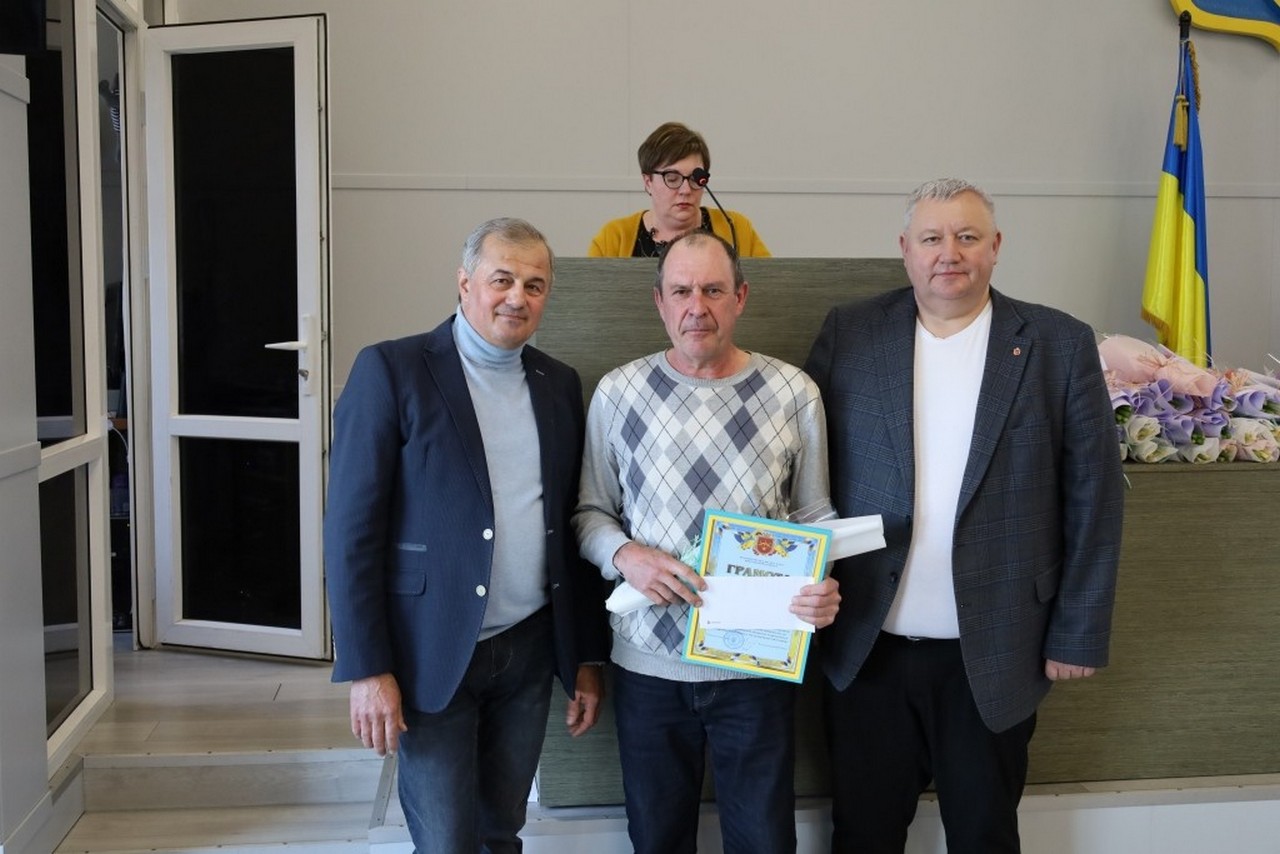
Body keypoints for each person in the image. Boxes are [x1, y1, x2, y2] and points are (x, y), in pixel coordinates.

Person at [804, 178, 1126, 853]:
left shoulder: (1058, 343)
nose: (948, 252)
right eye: (931, 237)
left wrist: (1078, 632)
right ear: (905, 248)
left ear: (996, 246)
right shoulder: (851, 332)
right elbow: (805, 470)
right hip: (867, 648)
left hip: (998, 651)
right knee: (863, 835)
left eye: (967, 236)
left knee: (984, 834)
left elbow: (1095, 496)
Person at [324, 217, 610, 853]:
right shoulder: (391, 369)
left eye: (534, 285)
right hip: (430, 650)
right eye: (501, 279)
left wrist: (585, 657)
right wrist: (367, 667)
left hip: (529, 649)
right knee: (447, 842)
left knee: (501, 832)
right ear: (464, 283)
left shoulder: (559, 384)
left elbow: (569, 527)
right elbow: (350, 532)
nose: (517, 298)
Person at [574, 230, 840, 853]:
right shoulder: (618, 392)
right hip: (647, 667)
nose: (698, 306)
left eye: (714, 290)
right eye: (681, 291)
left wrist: (825, 583)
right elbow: (589, 512)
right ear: (659, 302)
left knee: (764, 842)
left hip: (757, 666)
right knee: (658, 840)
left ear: (740, 297)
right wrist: (624, 555)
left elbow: (815, 515)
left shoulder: (794, 392)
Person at [588, 121, 770, 258]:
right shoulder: (613, 239)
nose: (685, 190)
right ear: (648, 181)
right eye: (672, 178)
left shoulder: (736, 228)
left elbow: (769, 288)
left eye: (695, 178)